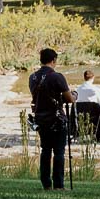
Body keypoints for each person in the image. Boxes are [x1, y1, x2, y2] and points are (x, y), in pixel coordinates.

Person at [28, 47, 74, 190]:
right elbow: (69, 99)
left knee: (45, 150)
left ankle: (46, 184)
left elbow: (40, 96)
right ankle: (59, 185)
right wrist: (74, 95)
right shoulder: (57, 76)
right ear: (54, 60)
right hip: (56, 119)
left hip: (40, 118)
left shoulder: (32, 77)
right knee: (59, 151)